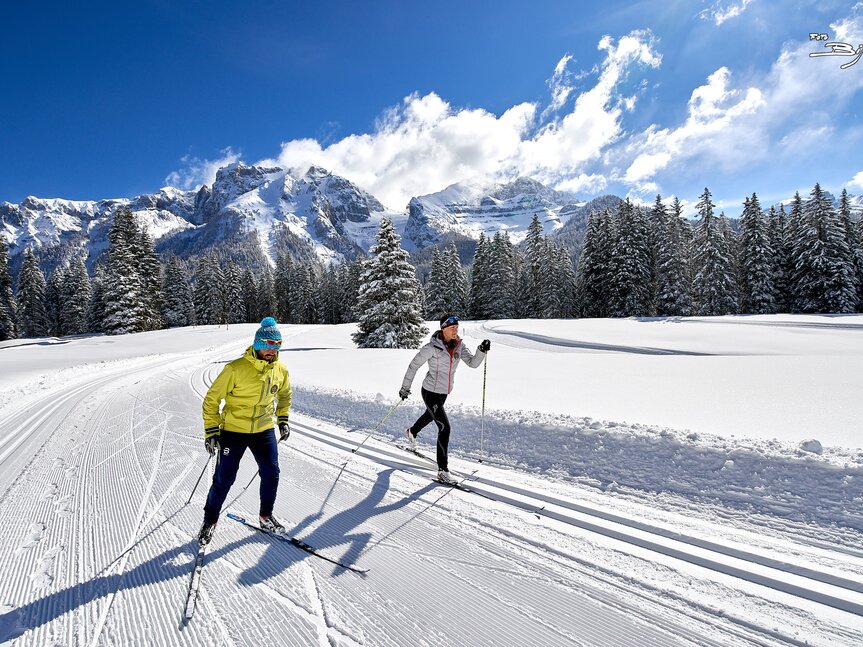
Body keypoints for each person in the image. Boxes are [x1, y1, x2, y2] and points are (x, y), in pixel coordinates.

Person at [197, 317, 292, 545]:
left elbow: (285, 396)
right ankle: (210, 521)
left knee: (271, 472)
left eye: (277, 344)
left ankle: (266, 517)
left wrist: (282, 420)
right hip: (233, 429)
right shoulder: (235, 369)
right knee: (224, 479)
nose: (273, 349)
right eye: (269, 344)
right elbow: (211, 400)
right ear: (258, 344)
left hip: (263, 429)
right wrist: (212, 430)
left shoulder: (280, 370)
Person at [399, 315, 490, 484]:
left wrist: (481, 350)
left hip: (444, 392)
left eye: (457, 326)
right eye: (452, 327)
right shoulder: (432, 347)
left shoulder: (459, 346)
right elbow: (414, 365)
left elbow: (472, 363)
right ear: (443, 329)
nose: (456, 329)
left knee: (430, 416)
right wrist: (405, 388)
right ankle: (442, 470)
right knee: (444, 427)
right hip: (430, 392)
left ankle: (412, 432)